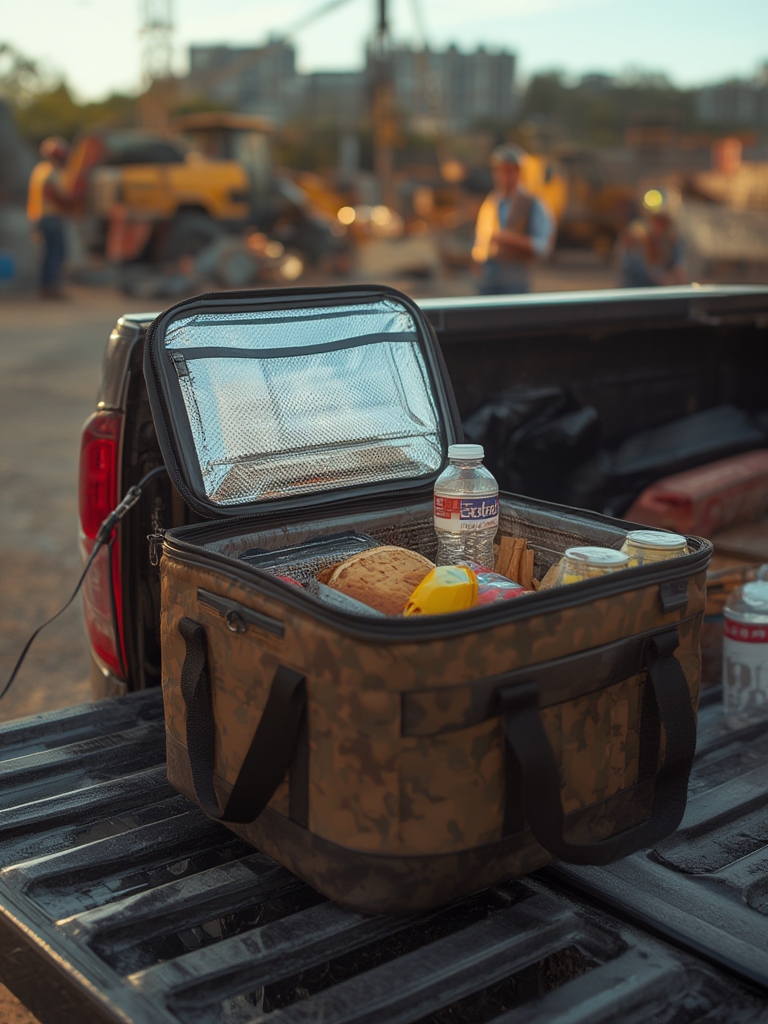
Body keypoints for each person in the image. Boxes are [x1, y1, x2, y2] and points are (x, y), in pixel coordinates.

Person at [472, 144, 555, 295]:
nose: (505, 176)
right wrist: (478, 260)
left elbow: (543, 246)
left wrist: (511, 239)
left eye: (510, 170)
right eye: (501, 170)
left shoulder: (532, 203)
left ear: (520, 172)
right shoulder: (491, 203)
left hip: (516, 278)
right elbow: (481, 240)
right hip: (488, 277)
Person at [27, 136, 71, 299]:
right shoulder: (52, 172)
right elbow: (54, 194)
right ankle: (51, 289)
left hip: (39, 216)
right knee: (56, 253)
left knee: (49, 253)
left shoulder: (40, 169)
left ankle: (46, 288)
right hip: (51, 217)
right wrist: (72, 203)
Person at [620, 187, 686, 288]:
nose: (660, 226)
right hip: (637, 290)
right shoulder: (637, 234)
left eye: (664, 222)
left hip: (658, 290)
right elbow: (646, 269)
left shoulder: (673, 237)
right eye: (657, 220)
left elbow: (678, 266)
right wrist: (665, 279)